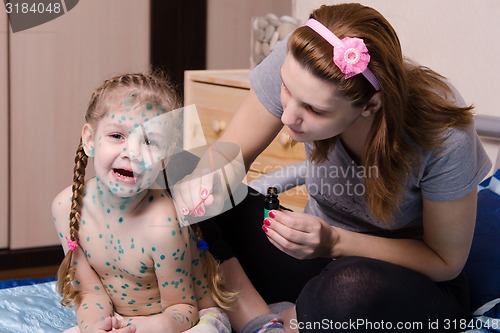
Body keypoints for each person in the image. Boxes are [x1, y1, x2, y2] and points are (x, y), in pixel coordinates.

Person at [172, 3, 492, 333]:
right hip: (314, 262)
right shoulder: (301, 60)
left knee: (348, 288)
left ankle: (302, 316)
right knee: (196, 191)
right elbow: (226, 163)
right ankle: (260, 321)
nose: (287, 117)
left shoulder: (443, 132)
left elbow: (444, 263)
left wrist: (334, 242)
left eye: (313, 109)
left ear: (370, 105)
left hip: (402, 285)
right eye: (286, 90)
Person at [52, 72, 236, 333]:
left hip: (185, 320)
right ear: (90, 139)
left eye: (149, 142)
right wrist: (98, 328)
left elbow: (183, 310)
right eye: (117, 136)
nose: (132, 153)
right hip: (119, 318)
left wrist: (140, 328)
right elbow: (91, 295)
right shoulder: (66, 207)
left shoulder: (163, 223)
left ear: (165, 156)